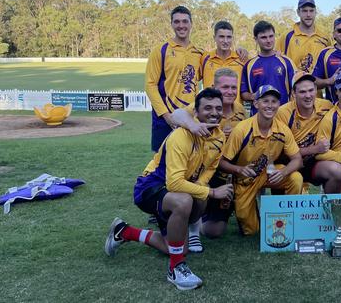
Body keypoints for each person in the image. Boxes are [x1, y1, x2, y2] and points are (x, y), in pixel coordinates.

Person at [104, 88, 233, 290]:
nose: (214, 112)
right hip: (150, 187)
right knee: (187, 201)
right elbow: (174, 183)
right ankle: (176, 268)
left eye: (218, 108)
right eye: (207, 108)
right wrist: (212, 192)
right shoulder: (181, 136)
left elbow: (211, 167)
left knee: (174, 246)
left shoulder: (218, 137)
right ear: (196, 113)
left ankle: (125, 231)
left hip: (173, 192)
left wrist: (202, 185)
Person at [170, 68, 248, 248]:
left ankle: (223, 210)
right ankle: (192, 224)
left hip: (224, 171)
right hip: (203, 170)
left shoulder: (240, 110)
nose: (230, 91)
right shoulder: (205, 104)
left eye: (234, 87)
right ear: (214, 87)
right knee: (200, 194)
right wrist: (193, 126)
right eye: (225, 87)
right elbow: (177, 115)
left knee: (216, 231)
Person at [218, 85, 303, 235]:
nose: (270, 105)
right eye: (265, 101)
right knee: (251, 231)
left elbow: (297, 159)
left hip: (269, 174)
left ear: (279, 104)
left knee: (295, 178)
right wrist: (239, 169)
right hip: (246, 179)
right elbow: (222, 162)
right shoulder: (242, 129)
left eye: (274, 101)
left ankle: (287, 219)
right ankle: (248, 212)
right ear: (256, 104)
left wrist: (284, 171)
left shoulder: (283, 129)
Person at [145, 5, 204, 152]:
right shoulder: (161, 50)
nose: (181, 25)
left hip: (191, 117)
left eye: (185, 21)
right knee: (161, 165)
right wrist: (166, 116)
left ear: (191, 24)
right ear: (171, 24)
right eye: (177, 22)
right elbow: (150, 85)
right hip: (165, 119)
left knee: (191, 162)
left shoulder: (199, 53)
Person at [275, 72, 341, 193]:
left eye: (311, 90)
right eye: (302, 92)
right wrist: (314, 149)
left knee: (336, 171)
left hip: (312, 163)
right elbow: (279, 153)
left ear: (316, 89)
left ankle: (329, 209)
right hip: (288, 164)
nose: (308, 95)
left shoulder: (326, 106)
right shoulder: (282, 113)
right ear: (294, 94)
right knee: (286, 201)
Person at [241, 21, 296, 115]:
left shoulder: (286, 62)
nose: (268, 40)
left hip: (283, 116)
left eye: (271, 36)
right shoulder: (249, 65)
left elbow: (296, 88)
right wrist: (254, 96)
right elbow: (243, 94)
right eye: (263, 37)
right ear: (255, 39)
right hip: (258, 118)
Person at [276, 0, 330, 73]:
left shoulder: (325, 38)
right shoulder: (286, 36)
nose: (308, 14)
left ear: (315, 12)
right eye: (304, 11)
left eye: (311, 11)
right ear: (298, 12)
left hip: (319, 84)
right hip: (295, 84)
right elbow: (276, 62)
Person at [201, 20, 248, 104]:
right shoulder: (204, 58)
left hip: (235, 114)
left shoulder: (242, 59)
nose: (225, 41)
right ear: (214, 38)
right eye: (221, 37)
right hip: (210, 112)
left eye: (229, 37)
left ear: (232, 38)